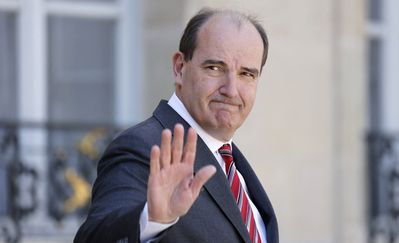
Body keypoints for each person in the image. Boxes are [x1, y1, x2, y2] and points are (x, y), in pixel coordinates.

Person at [74, 8, 278, 243]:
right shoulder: (143, 147)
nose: (231, 90)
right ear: (180, 68)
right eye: (214, 68)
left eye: (246, 74)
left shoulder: (232, 164)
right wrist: (151, 221)